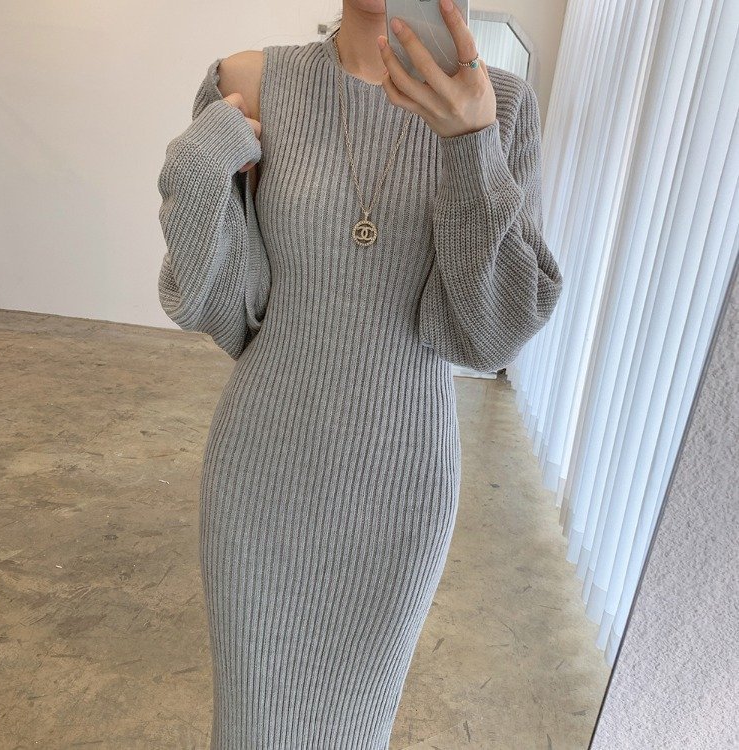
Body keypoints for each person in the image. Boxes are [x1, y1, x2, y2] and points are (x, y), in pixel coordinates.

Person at [156, 0, 563, 746]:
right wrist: (193, 172)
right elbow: (223, 306)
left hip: (403, 482)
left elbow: (490, 336)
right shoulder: (251, 81)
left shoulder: (498, 105)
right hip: (262, 471)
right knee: (251, 723)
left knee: (356, 725)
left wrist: (471, 146)